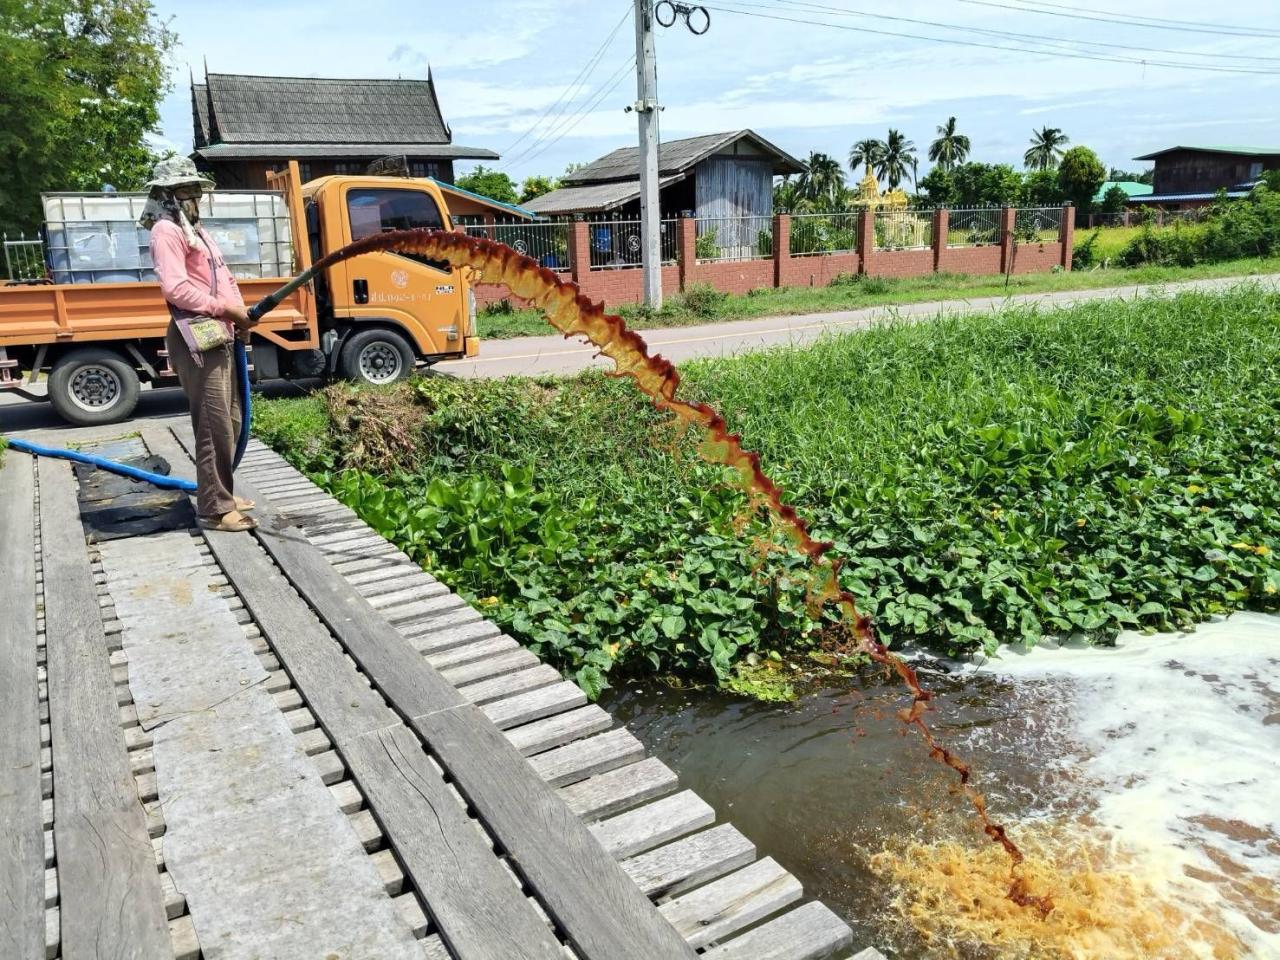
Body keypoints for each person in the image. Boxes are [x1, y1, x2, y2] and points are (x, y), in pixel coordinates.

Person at [141, 156, 259, 531]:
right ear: (170, 195)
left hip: (220, 330)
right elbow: (175, 287)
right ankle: (214, 509)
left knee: (233, 419)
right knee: (213, 424)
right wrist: (224, 308)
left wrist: (239, 315)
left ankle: (219, 490)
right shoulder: (167, 231)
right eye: (189, 191)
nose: (197, 197)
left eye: (197, 190)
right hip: (195, 333)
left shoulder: (196, 231)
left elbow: (223, 277)